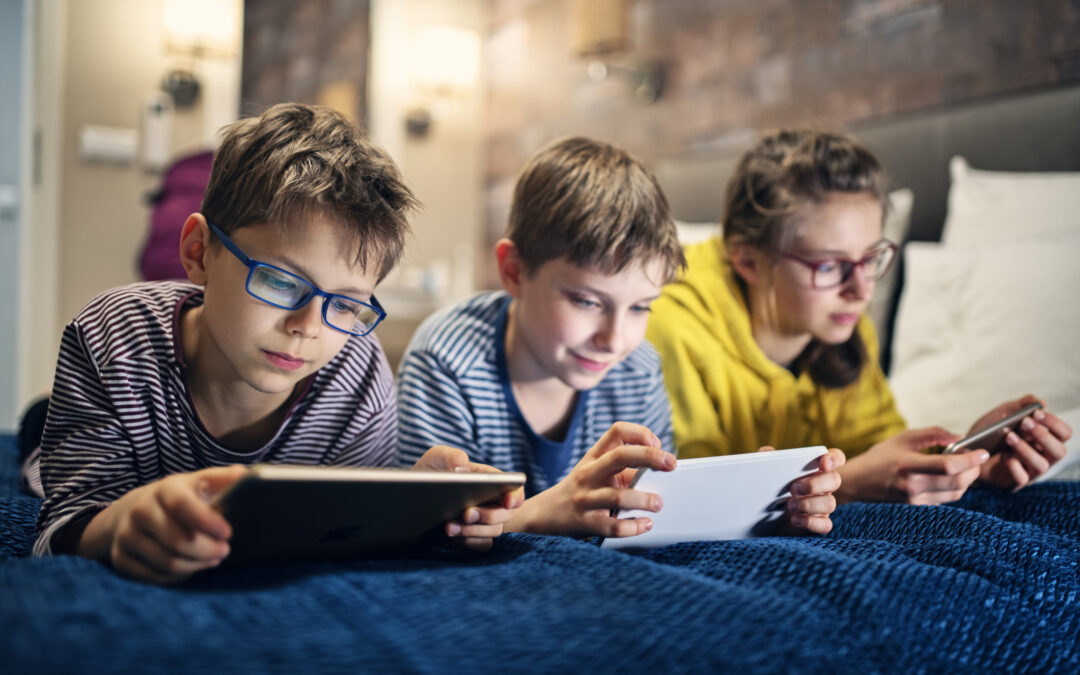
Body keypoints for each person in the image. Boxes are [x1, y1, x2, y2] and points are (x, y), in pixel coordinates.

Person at [31, 103, 522, 584]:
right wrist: (120, 522)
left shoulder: (357, 376)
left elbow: (342, 538)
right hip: (104, 430)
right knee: (36, 458)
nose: (308, 326)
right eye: (280, 282)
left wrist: (418, 507)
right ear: (198, 252)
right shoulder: (111, 337)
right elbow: (60, 525)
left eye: (346, 305)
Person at [395, 136, 844, 539]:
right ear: (515, 271)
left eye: (641, 307)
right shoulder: (448, 358)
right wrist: (542, 513)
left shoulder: (639, 368)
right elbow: (422, 531)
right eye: (587, 301)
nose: (614, 339)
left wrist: (761, 510)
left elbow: (646, 513)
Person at [646, 129, 1073, 505]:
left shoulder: (842, 326)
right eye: (829, 266)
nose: (862, 290)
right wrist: (847, 485)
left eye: (871, 258)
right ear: (749, 262)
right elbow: (685, 498)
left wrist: (967, 461)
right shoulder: (668, 324)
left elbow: (876, 450)